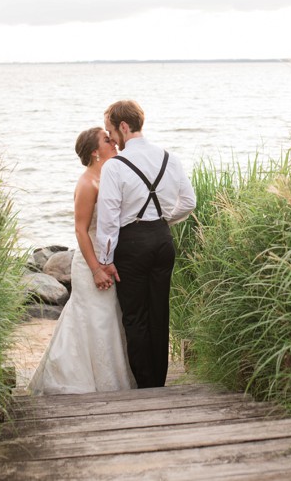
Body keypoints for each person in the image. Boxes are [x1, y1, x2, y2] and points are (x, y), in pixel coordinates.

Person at [95, 100, 197, 388]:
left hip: (132, 244)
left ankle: (146, 384)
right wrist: (164, 220)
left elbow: (109, 219)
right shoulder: (169, 158)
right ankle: (159, 382)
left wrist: (105, 260)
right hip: (163, 241)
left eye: (110, 130)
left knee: (135, 316)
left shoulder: (115, 166)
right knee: (159, 311)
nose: (111, 138)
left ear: (124, 127)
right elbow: (190, 202)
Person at [27, 127, 136, 395]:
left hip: (109, 260)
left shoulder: (109, 177)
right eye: (107, 140)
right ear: (95, 152)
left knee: (111, 318)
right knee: (95, 319)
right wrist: (97, 269)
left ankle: (114, 381)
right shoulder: (88, 183)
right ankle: (84, 382)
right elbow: (80, 230)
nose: (114, 143)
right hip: (91, 264)